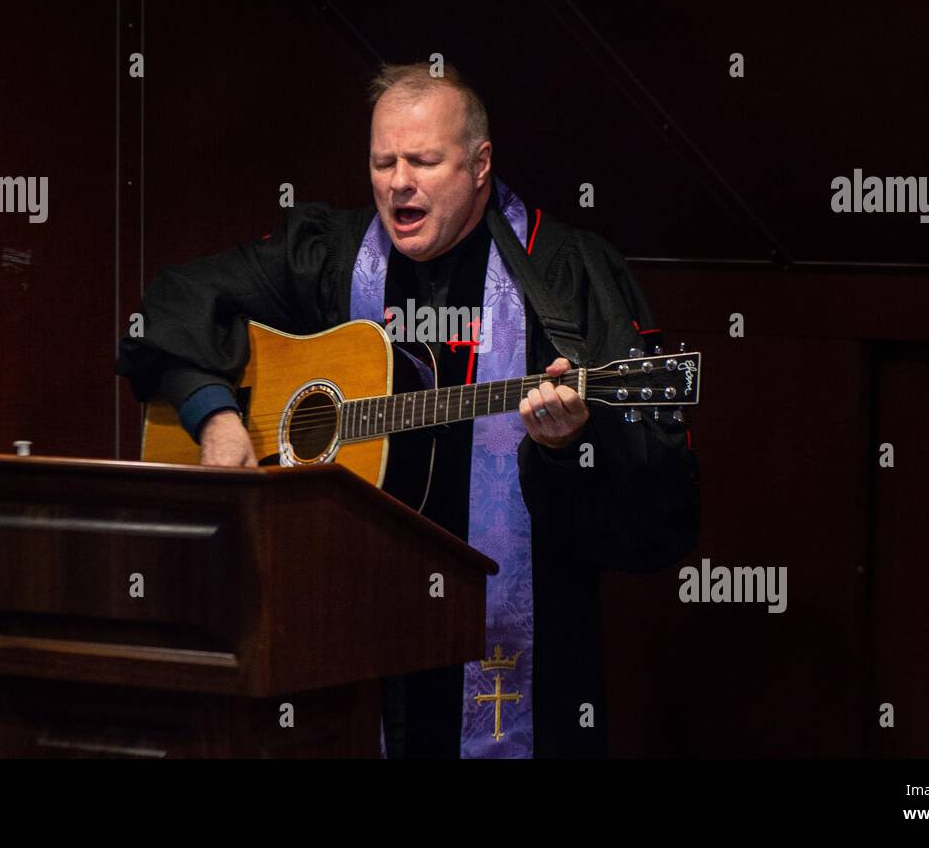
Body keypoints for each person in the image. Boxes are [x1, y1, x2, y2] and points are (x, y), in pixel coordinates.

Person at [116, 63, 700, 758]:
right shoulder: (331, 257)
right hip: (343, 653)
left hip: (517, 656)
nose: (398, 182)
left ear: (481, 164)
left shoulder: (568, 275)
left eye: (423, 160)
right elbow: (173, 300)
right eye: (382, 161)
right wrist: (214, 415)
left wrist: (568, 448)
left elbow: (658, 514)